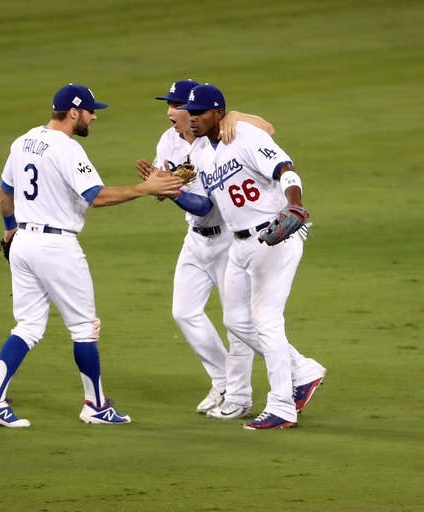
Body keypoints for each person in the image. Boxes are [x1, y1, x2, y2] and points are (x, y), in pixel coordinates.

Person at [0, 83, 184, 428]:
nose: (93, 118)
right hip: (57, 248)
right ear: (73, 112)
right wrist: (144, 188)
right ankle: (96, 406)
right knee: (84, 329)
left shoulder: (24, 140)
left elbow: (3, 190)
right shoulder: (66, 149)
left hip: (24, 243)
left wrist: (10, 228)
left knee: (27, 327)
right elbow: (96, 197)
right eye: (90, 111)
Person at [171, 83, 326, 429]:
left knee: (266, 321)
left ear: (218, 114)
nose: (192, 119)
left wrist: (295, 205)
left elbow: (286, 170)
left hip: (274, 236)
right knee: (236, 322)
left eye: (200, 114)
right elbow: (207, 205)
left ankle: (282, 406)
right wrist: (173, 191)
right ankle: (303, 371)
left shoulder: (244, 136)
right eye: (190, 113)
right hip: (238, 245)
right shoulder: (199, 153)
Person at [136, 79, 276, 420]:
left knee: (237, 323)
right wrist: (160, 186)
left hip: (228, 240)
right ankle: (223, 380)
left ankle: (241, 397)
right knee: (184, 312)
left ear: (196, 112)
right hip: (194, 239)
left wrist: (172, 192)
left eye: (177, 106)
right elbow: (167, 185)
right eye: (167, 105)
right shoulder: (169, 140)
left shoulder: (219, 141)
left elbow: (202, 205)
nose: (170, 112)